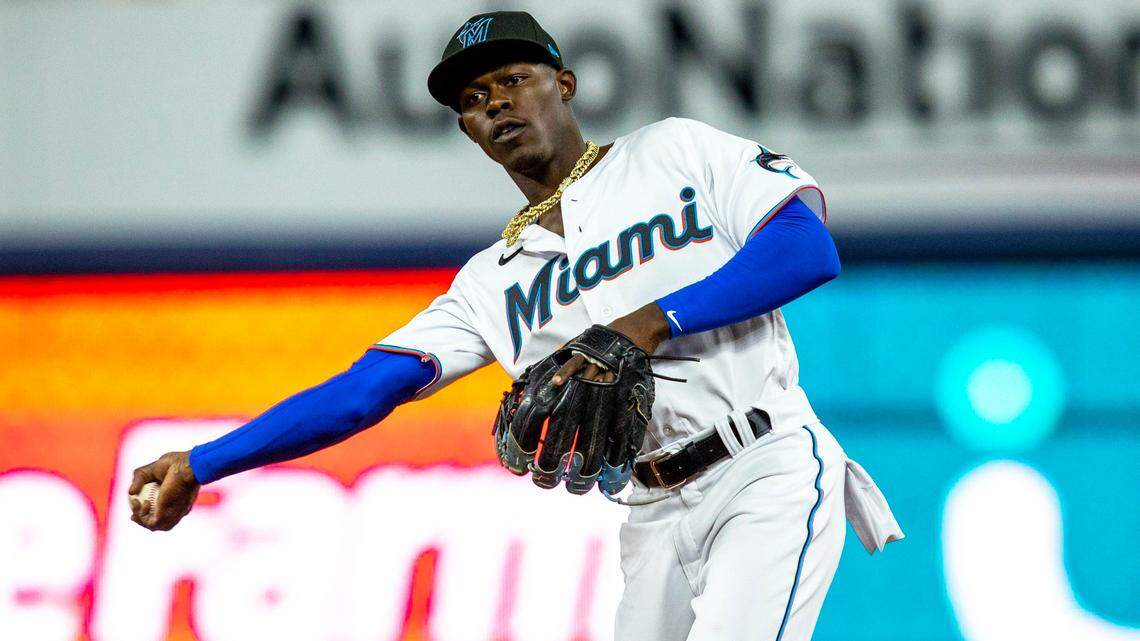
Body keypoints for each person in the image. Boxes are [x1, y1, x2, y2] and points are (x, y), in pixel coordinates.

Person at [129, 11, 902, 640]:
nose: (496, 102)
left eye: (513, 79)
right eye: (474, 98)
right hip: (651, 511)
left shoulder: (670, 152)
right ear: (467, 128)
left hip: (760, 464)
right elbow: (364, 391)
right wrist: (203, 461)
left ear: (563, 84)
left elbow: (805, 246)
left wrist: (652, 320)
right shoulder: (489, 281)